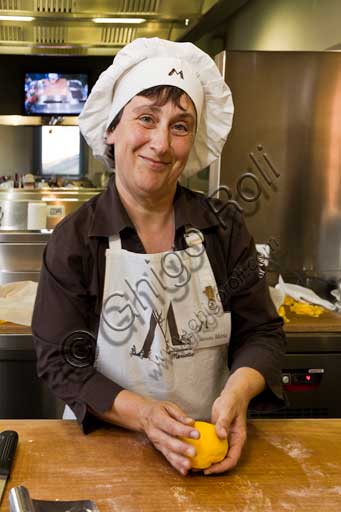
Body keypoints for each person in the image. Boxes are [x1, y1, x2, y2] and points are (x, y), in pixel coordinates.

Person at [32, 37, 286, 476]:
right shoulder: (75, 239)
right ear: (112, 129)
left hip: (208, 446)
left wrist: (238, 394)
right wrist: (145, 416)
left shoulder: (223, 228)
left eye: (180, 126)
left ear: (193, 141)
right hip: (105, 452)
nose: (161, 143)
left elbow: (262, 332)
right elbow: (60, 362)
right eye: (146, 119)